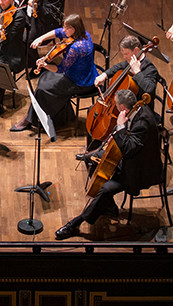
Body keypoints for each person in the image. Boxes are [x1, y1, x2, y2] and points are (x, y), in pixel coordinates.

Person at [55, 89, 162, 239]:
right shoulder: (136, 109)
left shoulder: (142, 123)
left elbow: (129, 149)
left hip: (138, 170)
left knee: (105, 189)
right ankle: (108, 207)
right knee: (92, 161)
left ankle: (76, 223)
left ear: (123, 108)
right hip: (129, 159)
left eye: (116, 106)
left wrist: (120, 128)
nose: (115, 108)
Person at [10, 14, 97, 132]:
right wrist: (41, 38)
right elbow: (58, 32)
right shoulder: (84, 34)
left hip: (81, 82)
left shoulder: (76, 48)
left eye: (67, 28)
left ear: (73, 29)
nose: (64, 30)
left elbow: (61, 69)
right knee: (45, 77)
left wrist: (45, 65)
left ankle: (28, 120)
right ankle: (62, 115)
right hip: (83, 73)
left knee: (42, 89)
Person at [16, 0, 63, 70]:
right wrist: (16, 3)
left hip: (44, 22)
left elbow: (48, 14)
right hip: (33, 15)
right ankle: (21, 59)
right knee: (14, 29)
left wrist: (37, 7)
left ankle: (34, 65)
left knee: (27, 39)